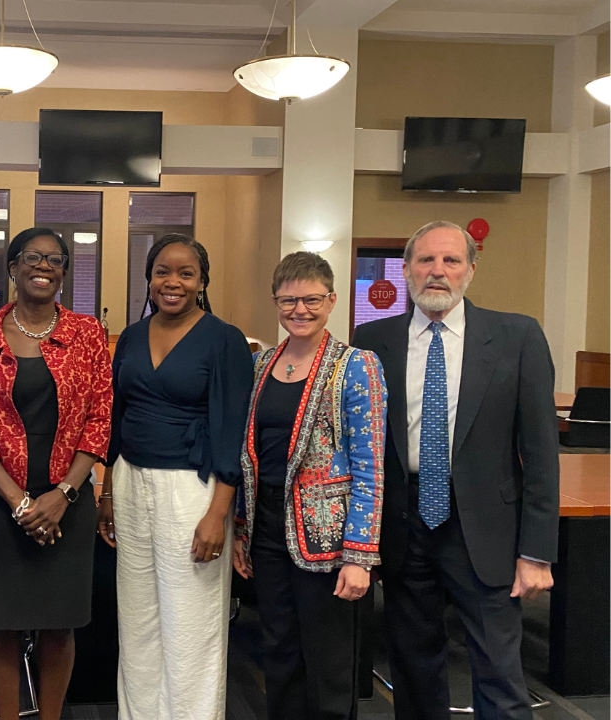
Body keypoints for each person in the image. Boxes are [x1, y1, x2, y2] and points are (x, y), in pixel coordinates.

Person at [350, 220, 559, 720]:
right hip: (404, 530)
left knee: (498, 673)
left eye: (450, 260)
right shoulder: (372, 339)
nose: (437, 271)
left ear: (470, 270)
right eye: (425, 260)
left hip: (486, 533)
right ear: (406, 271)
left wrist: (537, 553)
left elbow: (541, 453)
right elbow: (364, 443)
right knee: (415, 672)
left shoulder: (517, 336)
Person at [0, 227, 113, 720]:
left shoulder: (87, 334)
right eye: (32, 257)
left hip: (69, 496)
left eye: (55, 259)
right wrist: (20, 503)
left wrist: (64, 493)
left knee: (59, 625)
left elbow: (101, 417)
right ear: (13, 267)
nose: (43, 266)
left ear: (64, 272)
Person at [98, 233, 253, 720]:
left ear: (202, 282)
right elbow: (117, 416)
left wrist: (218, 515)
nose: (173, 282)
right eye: (163, 271)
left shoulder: (224, 339)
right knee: (139, 618)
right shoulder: (130, 335)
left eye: (186, 273)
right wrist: (106, 490)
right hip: (129, 481)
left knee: (189, 622)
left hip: (193, 490)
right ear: (148, 278)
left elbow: (231, 431)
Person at [233, 251, 387, 720]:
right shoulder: (261, 365)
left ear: (332, 300)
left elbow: (371, 467)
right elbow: (250, 456)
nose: (299, 309)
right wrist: (242, 529)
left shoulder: (355, 365)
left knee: (329, 661)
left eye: (311, 300)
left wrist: (360, 556)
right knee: (278, 651)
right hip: (268, 532)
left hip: (329, 539)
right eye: (288, 300)